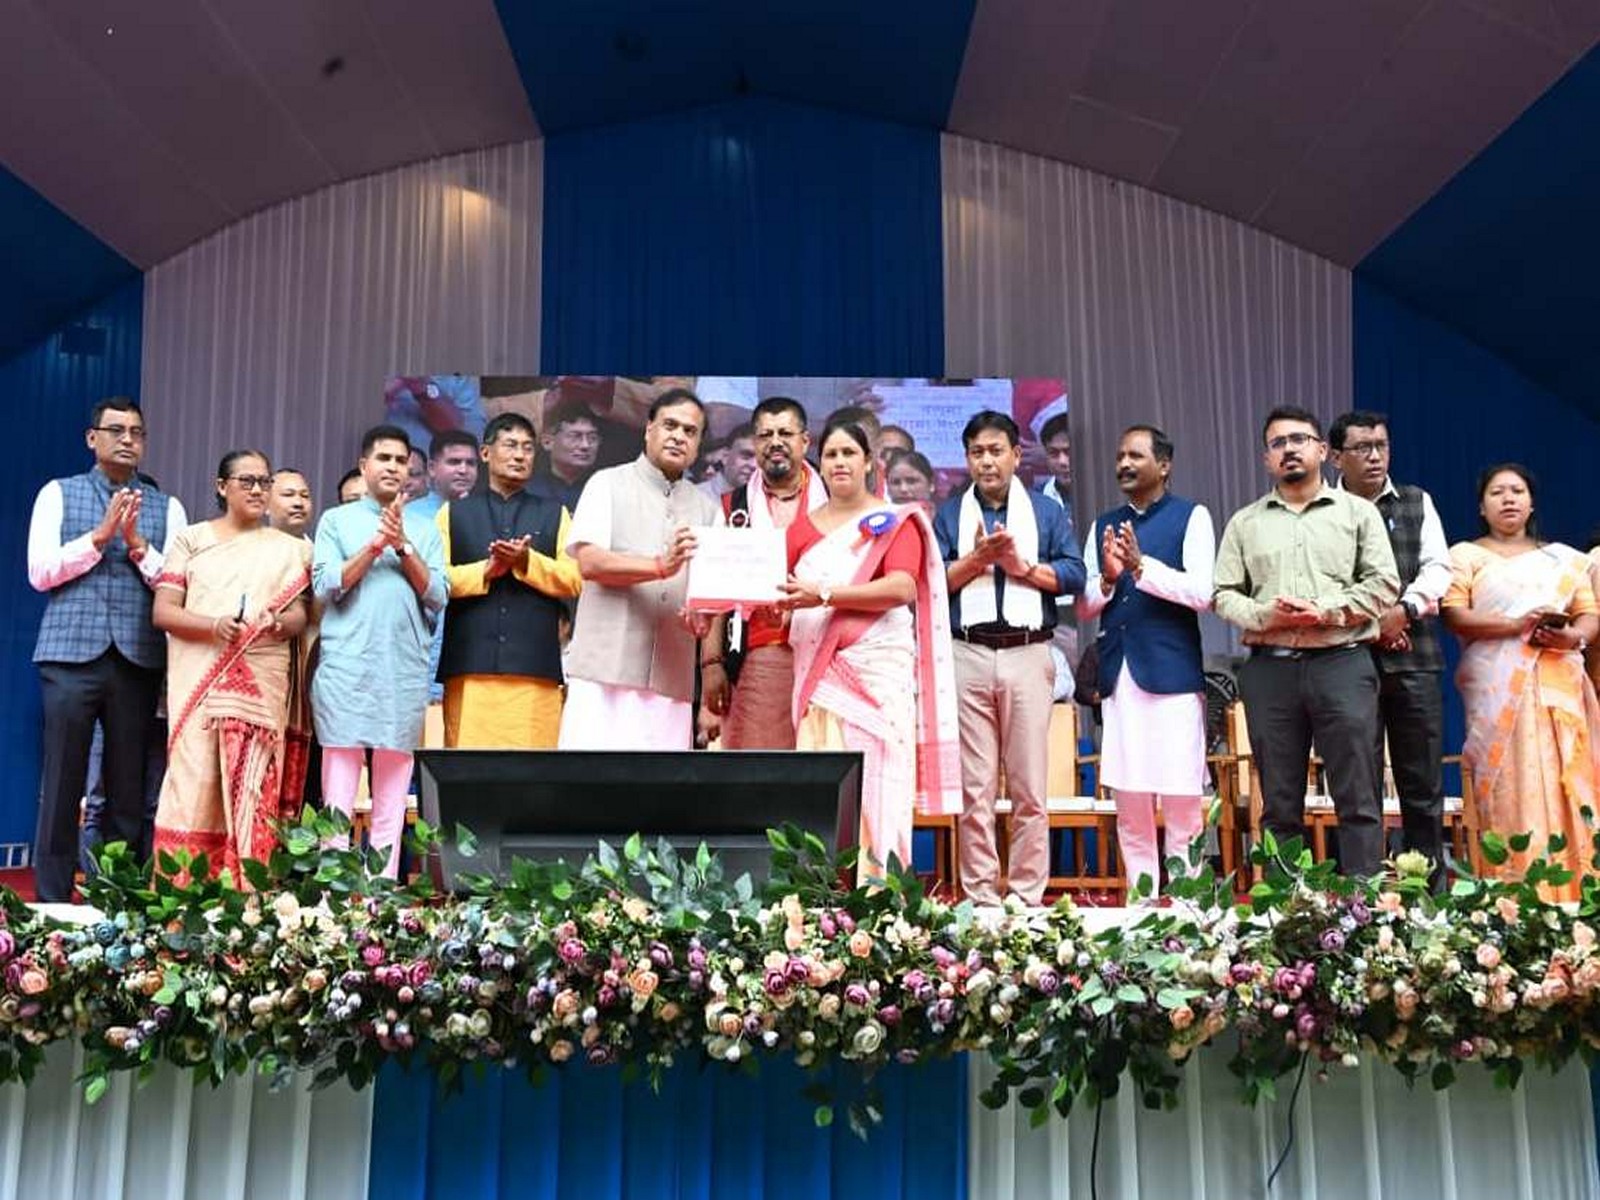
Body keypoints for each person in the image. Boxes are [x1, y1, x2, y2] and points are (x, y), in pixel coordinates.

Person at [1213, 406, 1399, 877]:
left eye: (1300, 439)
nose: (1290, 449)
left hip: (1343, 662)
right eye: (1278, 443)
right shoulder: (1244, 523)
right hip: (1270, 669)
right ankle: (1287, 917)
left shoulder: (1358, 514)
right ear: (1266, 459)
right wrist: (1264, 616)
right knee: (1279, 801)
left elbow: (1383, 583)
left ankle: (1363, 914)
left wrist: (1328, 613)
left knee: (1357, 796)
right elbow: (1222, 594)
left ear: (1321, 450)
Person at [780, 415, 960, 884]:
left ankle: (880, 895)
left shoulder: (895, 520)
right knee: (821, 778)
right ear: (818, 463)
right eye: (831, 454)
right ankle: (821, 898)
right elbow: (787, 595)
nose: (839, 462)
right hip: (818, 674)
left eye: (849, 453)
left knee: (880, 781)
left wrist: (825, 594)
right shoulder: (800, 530)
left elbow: (900, 587)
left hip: (875, 671)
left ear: (868, 463)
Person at [27, 398, 188, 900]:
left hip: (137, 659)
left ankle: (114, 894)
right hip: (69, 657)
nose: (127, 440)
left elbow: (179, 585)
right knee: (62, 781)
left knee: (126, 787)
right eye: (115, 430)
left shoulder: (170, 507)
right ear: (91, 438)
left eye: (137, 432)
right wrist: (97, 539)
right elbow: (40, 573)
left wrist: (138, 544)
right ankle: (51, 898)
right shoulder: (58, 493)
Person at [935, 411, 1083, 905]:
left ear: (1017, 456)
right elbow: (929, 582)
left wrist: (1022, 568)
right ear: (967, 459)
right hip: (967, 653)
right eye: (977, 452)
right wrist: (975, 562)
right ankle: (980, 895)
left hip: (1026, 653)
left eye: (996, 450)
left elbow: (1074, 573)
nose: (987, 461)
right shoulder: (949, 513)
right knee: (974, 788)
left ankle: (1024, 894)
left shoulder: (1045, 512)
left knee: (1028, 786)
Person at [1441, 464, 1599, 901]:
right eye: (1497, 492)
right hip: (1495, 690)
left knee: (1568, 781)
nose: (1508, 499)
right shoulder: (1465, 556)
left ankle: (1577, 895)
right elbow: (1455, 614)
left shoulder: (1563, 559)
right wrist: (1515, 625)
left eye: (1517, 491)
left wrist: (1573, 636)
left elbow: (1590, 615)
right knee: (1508, 787)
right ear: (1481, 506)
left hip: (1557, 685)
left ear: (1531, 503)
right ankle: (1512, 899)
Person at [151, 451, 312, 877]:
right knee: (192, 785)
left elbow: (300, 616)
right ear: (222, 486)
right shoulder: (192, 539)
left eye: (264, 482)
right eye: (247, 481)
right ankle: (182, 895)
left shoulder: (289, 550)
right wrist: (213, 626)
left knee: (255, 787)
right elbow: (164, 612)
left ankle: (247, 897)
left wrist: (279, 622)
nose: (258, 490)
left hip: (261, 686)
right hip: (200, 684)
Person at [1079, 425, 1215, 896]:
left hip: (1172, 677)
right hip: (1120, 678)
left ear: (1165, 464)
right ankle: (1140, 903)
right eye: (1119, 456)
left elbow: (1202, 593)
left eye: (1135, 455)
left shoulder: (1191, 517)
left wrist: (1142, 568)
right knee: (1130, 799)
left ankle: (1186, 906)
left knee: (1181, 799)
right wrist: (1112, 579)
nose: (1124, 464)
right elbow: (1084, 605)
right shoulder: (1104, 523)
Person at [312, 425, 447, 876]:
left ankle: (381, 894)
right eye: (383, 458)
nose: (393, 467)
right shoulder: (336, 521)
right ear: (365, 465)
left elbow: (438, 595)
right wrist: (375, 545)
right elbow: (326, 584)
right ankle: (335, 891)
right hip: (347, 669)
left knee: (392, 791)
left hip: (402, 671)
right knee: (339, 789)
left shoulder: (426, 529)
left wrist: (402, 544)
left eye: (401, 460)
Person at [559, 389, 722, 750]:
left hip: (671, 674)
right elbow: (589, 561)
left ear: (697, 446)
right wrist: (660, 566)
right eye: (670, 425)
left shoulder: (708, 509)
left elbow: (711, 596)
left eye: (690, 431)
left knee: (659, 797)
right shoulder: (606, 484)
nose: (679, 436)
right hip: (604, 672)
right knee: (588, 788)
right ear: (649, 430)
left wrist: (703, 619)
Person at [1329, 411, 1452, 876]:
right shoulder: (1321, 510)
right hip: (1344, 663)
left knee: (1421, 786)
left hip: (1414, 661)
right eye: (1362, 448)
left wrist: (1402, 612)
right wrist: (1372, 623)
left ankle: (1427, 902)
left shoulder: (1416, 502)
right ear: (1336, 456)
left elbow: (1438, 568)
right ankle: (1358, 901)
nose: (1375, 456)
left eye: (1382, 445)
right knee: (1357, 788)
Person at [436, 413, 581, 747]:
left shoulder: (554, 513)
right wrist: (484, 572)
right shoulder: (453, 513)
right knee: (469, 775)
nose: (520, 455)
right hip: (470, 670)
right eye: (511, 445)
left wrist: (526, 561)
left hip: (535, 673)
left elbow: (574, 579)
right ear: (486, 454)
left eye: (528, 448)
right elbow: (435, 581)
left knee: (529, 781)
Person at [708, 397, 825, 750]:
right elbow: (715, 592)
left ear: (806, 441)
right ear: (755, 444)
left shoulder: (835, 499)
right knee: (763, 765)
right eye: (765, 435)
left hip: (827, 652)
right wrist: (711, 664)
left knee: (822, 758)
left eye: (786, 433)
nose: (775, 442)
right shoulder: (733, 508)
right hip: (762, 653)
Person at [531, 401, 602, 512]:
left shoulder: (605, 491)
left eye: (592, 438)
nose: (585, 445)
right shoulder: (529, 493)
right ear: (547, 442)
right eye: (575, 436)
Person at [407, 431, 480, 520]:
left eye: (471, 463)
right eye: (454, 462)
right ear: (432, 468)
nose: (463, 470)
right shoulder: (410, 515)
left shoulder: (489, 514)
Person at [698, 422, 758, 502]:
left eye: (762, 459)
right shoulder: (695, 498)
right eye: (746, 456)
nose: (754, 465)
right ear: (725, 456)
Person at [1038, 412, 1074, 531]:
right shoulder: (1034, 501)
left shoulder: (1106, 495)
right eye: (1054, 453)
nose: (1062, 462)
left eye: (1068, 452)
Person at [267, 469, 314, 540]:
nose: (299, 503)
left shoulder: (321, 549)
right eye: (288, 494)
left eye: (305, 495)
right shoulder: (249, 549)